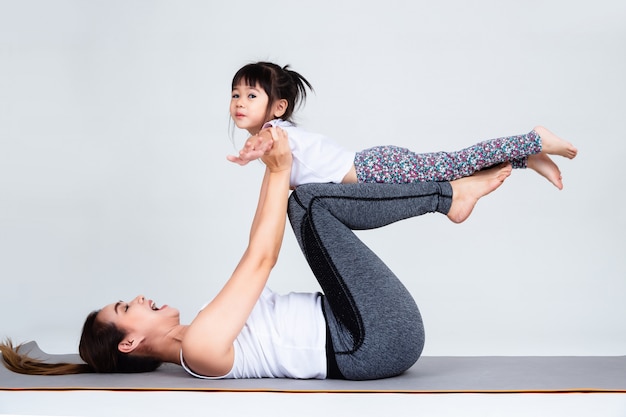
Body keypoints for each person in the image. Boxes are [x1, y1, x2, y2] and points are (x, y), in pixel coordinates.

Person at [1, 127, 516, 380]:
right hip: (371, 341)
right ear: (131, 341)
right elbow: (261, 259)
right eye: (124, 307)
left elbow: (259, 249)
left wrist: (277, 170)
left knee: (305, 202)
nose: (137, 297)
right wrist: (276, 170)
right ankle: (449, 196)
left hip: (358, 325)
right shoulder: (199, 350)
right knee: (309, 204)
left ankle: (448, 195)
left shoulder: (203, 326)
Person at [227, 61, 577, 190]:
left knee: (454, 165)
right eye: (236, 95)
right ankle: (527, 158)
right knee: (452, 170)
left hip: (373, 167)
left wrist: (246, 154)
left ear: (279, 106)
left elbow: (262, 143)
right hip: (372, 163)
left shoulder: (274, 133)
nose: (240, 102)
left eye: (251, 96)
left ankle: (533, 139)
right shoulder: (276, 136)